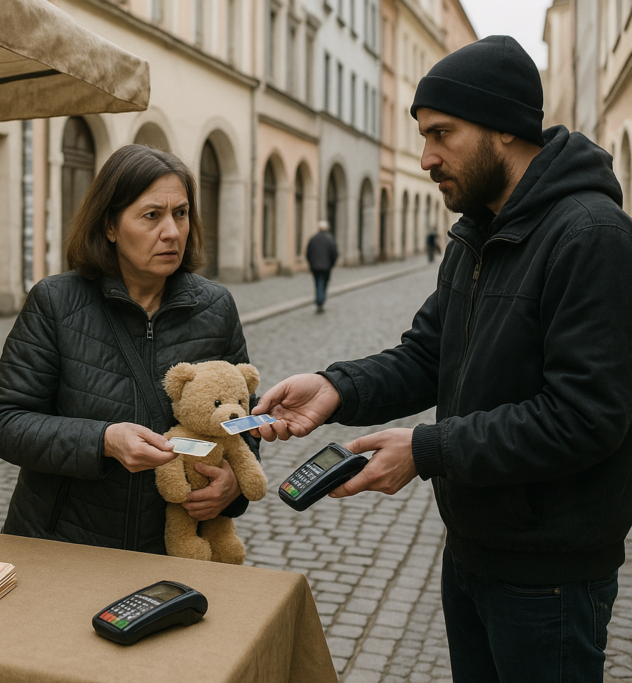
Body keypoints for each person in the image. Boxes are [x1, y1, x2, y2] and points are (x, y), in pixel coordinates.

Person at [252, 36, 632, 682]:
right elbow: (427, 355)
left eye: (441, 134)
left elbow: (584, 418)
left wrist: (427, 450)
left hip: (549, 578)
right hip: (470, 553)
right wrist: (334, 387)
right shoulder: (475, 233)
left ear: (504, 127)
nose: (426, 156)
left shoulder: (590, 235)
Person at [0, 144, 258, 554]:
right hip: (62, 544)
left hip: (172, 548)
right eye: (152, 215)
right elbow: (5, 423)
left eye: (181, 213)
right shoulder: (55, 302)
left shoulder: (216, 307)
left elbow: (243, 418)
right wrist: (103, 440)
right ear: (110, 225)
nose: (172, 231)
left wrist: (233, 485)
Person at [305, 220, 338, 313]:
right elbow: (334, 253)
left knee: (317, 283)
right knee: (323, 283)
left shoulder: (313, 238)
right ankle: (320, 301)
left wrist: (311, 263)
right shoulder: (330, 239)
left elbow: (308, 253)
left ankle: (319, 300)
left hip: (315, 266)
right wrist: (332, 264)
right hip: (326, 267)